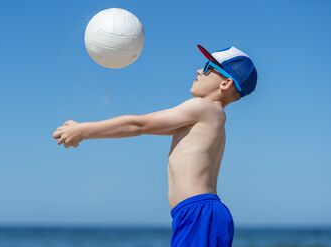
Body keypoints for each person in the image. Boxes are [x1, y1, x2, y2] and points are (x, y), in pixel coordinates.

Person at [52, 44, 257, 246]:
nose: (198, 71)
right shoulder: (211, 117)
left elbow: (139, 124)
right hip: (199, 214)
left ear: (226, 83)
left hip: (198, 214)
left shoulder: (204, 108)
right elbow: (139, 129)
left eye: (207, 68)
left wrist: (83, 130)